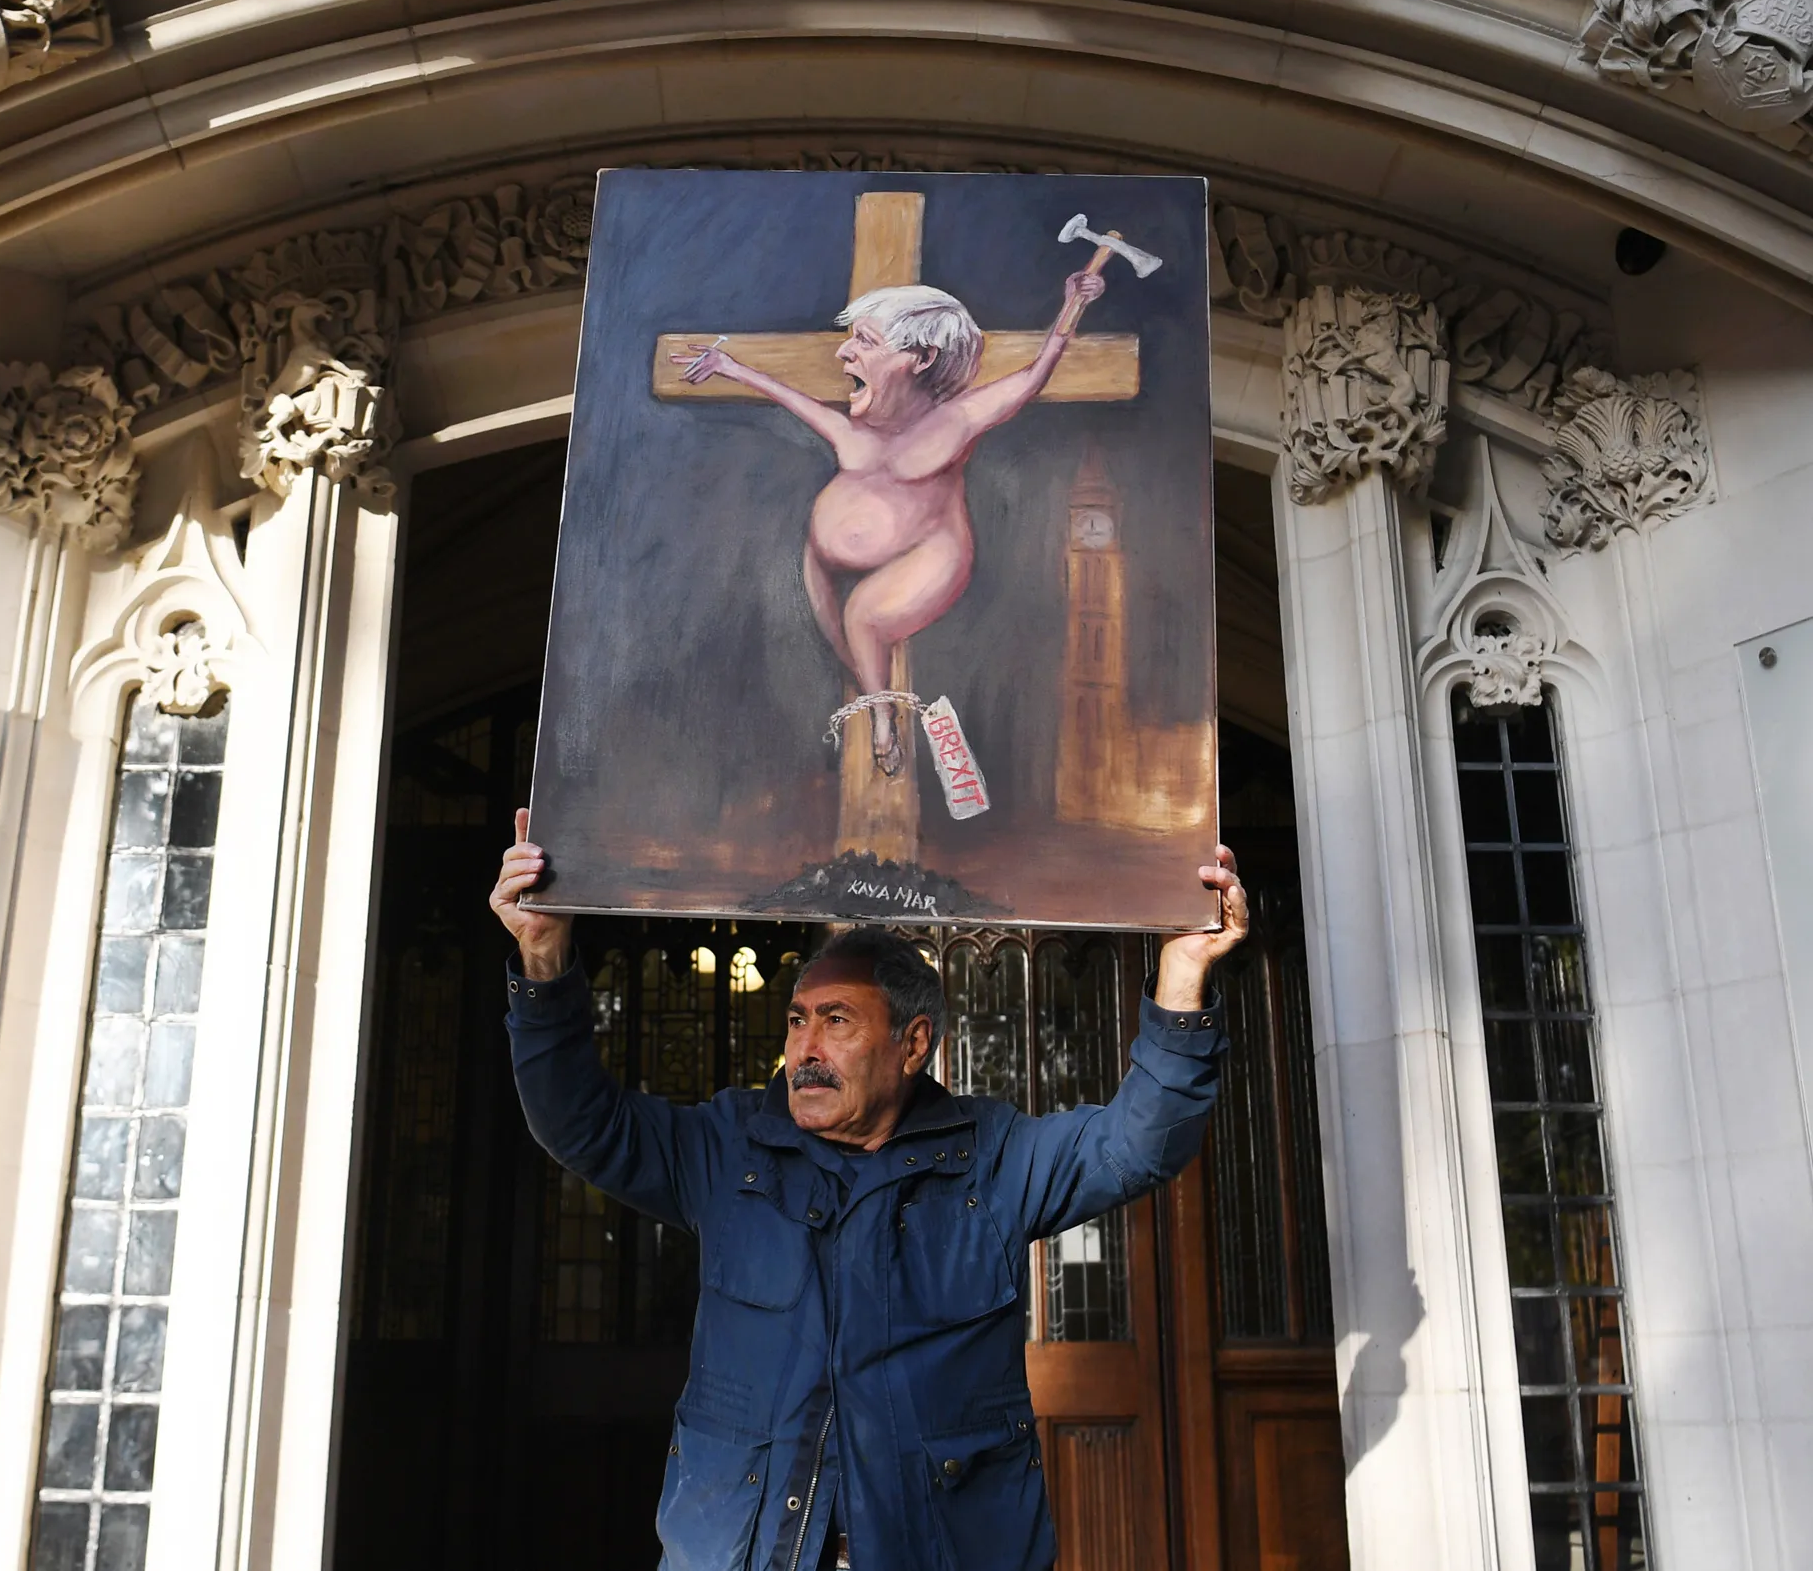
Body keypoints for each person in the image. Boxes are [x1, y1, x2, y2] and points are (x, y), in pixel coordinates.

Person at [490, 810, 1250, 1571]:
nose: (805, 1049)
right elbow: (581, 1123)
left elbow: (1139, 1144)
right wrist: (544, 958)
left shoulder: (991, 1159)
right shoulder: (729, 1148)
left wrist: (1184, 973)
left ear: (912, 1044)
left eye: (836, 1021)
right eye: (797, 1021)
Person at [674, 235, 1125, 777]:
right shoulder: (852, 427)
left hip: (930, 553)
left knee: (864, 617)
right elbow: (790, 398)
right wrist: (731, 367)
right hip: (824, 567)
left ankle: (883, 724)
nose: (843, 353)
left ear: (921, 358)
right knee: (848, 646)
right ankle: (881, 704)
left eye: (864, 340)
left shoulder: (957, 420)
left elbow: (1032, 377)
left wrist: (1073, 305)